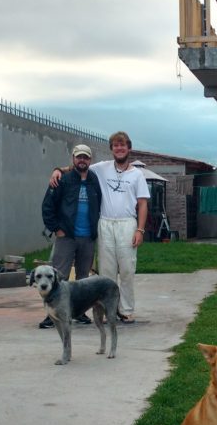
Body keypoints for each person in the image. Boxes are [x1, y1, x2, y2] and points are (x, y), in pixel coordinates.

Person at [51, 131, 149, 323]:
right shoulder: (102, 168)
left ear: (129, 148)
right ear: (111, 149)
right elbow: (79, 166)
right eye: (115, 145)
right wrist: (58, 170)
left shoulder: (137, 175)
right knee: (106, 271)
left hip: (127, 223)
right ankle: (106, 310)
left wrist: (140, 230)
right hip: (104, 223)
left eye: (123, 145)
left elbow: (143, 203)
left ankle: (126, 309)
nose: (119, 148)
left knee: (127, 269)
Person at [38, 144, 103, 329]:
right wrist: (56, 228)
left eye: (86, 157)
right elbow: (47, 206)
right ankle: (52, 315)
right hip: (66, 236)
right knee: (59, 275)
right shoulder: (63, 179)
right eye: (79, 157)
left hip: (87, 238)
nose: (82, 160)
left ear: (90, 160)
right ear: (73, 158)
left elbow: (100, 202)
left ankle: (80, 312)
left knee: (83, 279)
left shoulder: (93, 179)